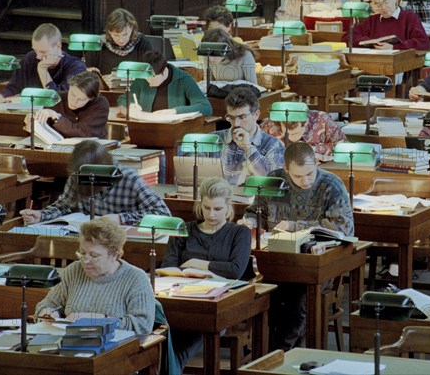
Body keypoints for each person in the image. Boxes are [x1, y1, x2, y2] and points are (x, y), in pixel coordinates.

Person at [241, 142, 353, 351]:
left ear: (317, 163)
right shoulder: (273, 181)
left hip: (313, 265)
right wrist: (249, 223)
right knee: (260, 295)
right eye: (298, 176)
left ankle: (278, 352)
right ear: (286, 170)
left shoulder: (331, 185)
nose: (306, 180)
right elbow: (254, 211)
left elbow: (342, 228)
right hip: (275, 261)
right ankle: (264, 351)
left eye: (310, 173)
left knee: (296, 302)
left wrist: (295, 226)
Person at [161, 177, 252, 373]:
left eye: (218, 209)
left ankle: (171, 367)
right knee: (161, 337)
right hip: (180, 298)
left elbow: (235, 269)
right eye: (207, 207)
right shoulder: (184, 229)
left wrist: (198, 265)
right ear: (200, 204)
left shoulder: (239, 233)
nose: (211, 214)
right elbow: (169, 265)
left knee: (183, 340)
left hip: (218, 303)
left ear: (228, 207)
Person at [35, 217, 155, 334]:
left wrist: (100, 320)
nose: (85, 261)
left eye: (94, 255)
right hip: (72, 343)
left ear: (115, 255)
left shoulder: (136, 278)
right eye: (82, 253)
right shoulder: (74, 271)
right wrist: (48, 313)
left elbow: (143, 325)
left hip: (116, 349)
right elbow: (47, 304)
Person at [20, 140, 171, 225]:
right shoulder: (76, 177)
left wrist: (120, 218)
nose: (89, 184)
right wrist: (41, 215)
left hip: (121, 242)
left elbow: (163, 214)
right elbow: (64, 206)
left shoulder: (130, 179)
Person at [0, 23, 86, 102]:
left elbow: (58, 99)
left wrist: (42, 70)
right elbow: (13, 88)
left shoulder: (76, 66)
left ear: (58, 46)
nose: (38, 56)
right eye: (35, 50)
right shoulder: (30, 59)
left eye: (43, 52)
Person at [214, 87, 285, 186]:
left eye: (242, 117)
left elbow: (273, 182)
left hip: (254, 201)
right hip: (217, 199)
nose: (236, 124)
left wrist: (248, 148)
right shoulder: (214, 140)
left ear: (256, 114)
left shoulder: (274, 145)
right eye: (231, 117)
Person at [117, 50, 212, 116]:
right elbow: (122, 99)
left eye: (152, 78)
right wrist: (130, 106)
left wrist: (174, 111)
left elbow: (206, 107)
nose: (148, 81)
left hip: (174, 131)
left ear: (164, 71)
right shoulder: (143, 76)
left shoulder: (184, 79)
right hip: (145, 128)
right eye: (146, 78)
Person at [342, 0, 430, 51]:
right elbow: (346, 38)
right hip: (375, 63)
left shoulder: (409, 18)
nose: (383, 7)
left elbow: (423, 43)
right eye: (378, 4)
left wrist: (394, 47)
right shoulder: (372, 20)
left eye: (386, 1)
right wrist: (371, 42)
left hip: (401, 66)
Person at [23, 71, 109, 139]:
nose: (74, 101)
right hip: (55, 149)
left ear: (91, 98)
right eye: (72, 94)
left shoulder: (100, 104)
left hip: (88, 152)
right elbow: (44, 129)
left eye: (81, 99)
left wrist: (56, 116)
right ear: (70, 87)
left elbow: (83, 133)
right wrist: (33, 123)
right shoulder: (57, 97)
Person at [260, 109, 347, 161]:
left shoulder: (322, 119)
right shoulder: (270, 124)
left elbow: (343, 146)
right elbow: (258, 149)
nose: (290, 137)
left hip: (320, 170)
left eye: (295, 133)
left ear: (306, 124)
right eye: (286, 133)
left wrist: (312, 150)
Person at [86, 8, 153, 75]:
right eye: (116, 35)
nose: (121, 40)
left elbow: (150, 71)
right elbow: (86, 69)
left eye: (125, 34)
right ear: (109, 31)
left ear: (132, 29)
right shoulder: (97, 43)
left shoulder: (142, 42)